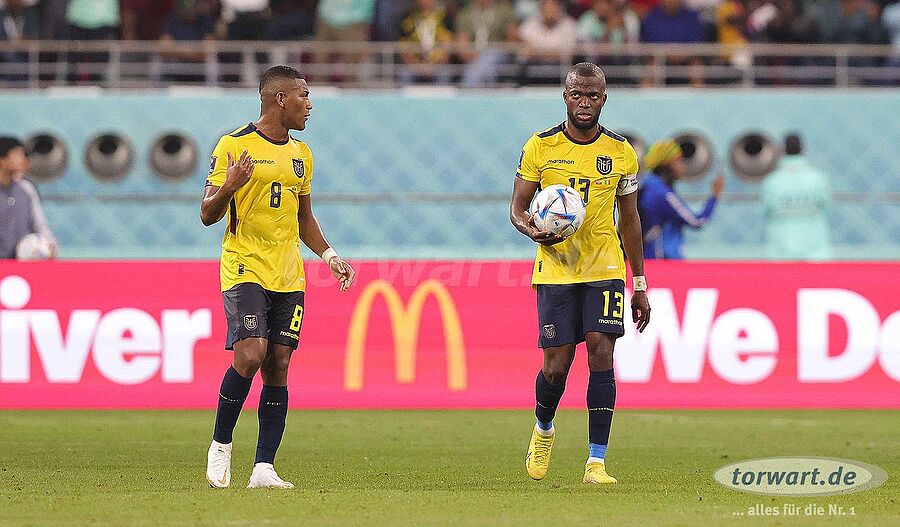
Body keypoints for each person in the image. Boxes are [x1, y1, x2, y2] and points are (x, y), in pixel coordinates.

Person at [201, 65, 356, 489]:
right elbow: (207, 214)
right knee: (251, 353)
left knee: (279, 363)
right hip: (245, 266)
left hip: (289, 273)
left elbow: (304, 218)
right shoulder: (234, 145)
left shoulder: (301, 155)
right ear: (280, 99)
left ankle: (264, 468)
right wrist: (230, 186)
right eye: (304, 96)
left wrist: (329, 255)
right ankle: (221, 444)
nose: (310, 104)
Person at [510, 62, 651, 485]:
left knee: (601, 351)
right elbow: (517, 209)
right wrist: (531, 229)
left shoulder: (621, 152)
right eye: (577, 95)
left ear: (604, 99)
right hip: (556, 267)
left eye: (592, 96)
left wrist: (639, 283)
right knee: (557, 365)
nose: (584, 103)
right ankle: (544, 427)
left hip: (604, 265)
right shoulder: (540, 146)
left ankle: (596, 462)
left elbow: (630, 220)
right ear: (565, 97)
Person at [637, 139, 723, 259]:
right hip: (662, 261)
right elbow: (697, 221)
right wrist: (714, 196)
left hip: (649, 260)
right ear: (665, 164)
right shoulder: (661, 194)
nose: (682, 166)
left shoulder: (648, 186)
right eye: (678, 160)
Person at [761, 133, 833, 260]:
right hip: (817, 255)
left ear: (782, 151)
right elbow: (827, 207)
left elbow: (766, 212)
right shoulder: (818, 179)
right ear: (803, 149)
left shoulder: (771, 182)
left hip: (780, 256)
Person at [0, 136, 58, 259]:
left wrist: (51, 246)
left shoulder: (26, 189)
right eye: (17, 154)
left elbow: (39, 225)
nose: (24, 159)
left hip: (20, 263)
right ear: (2, 159)